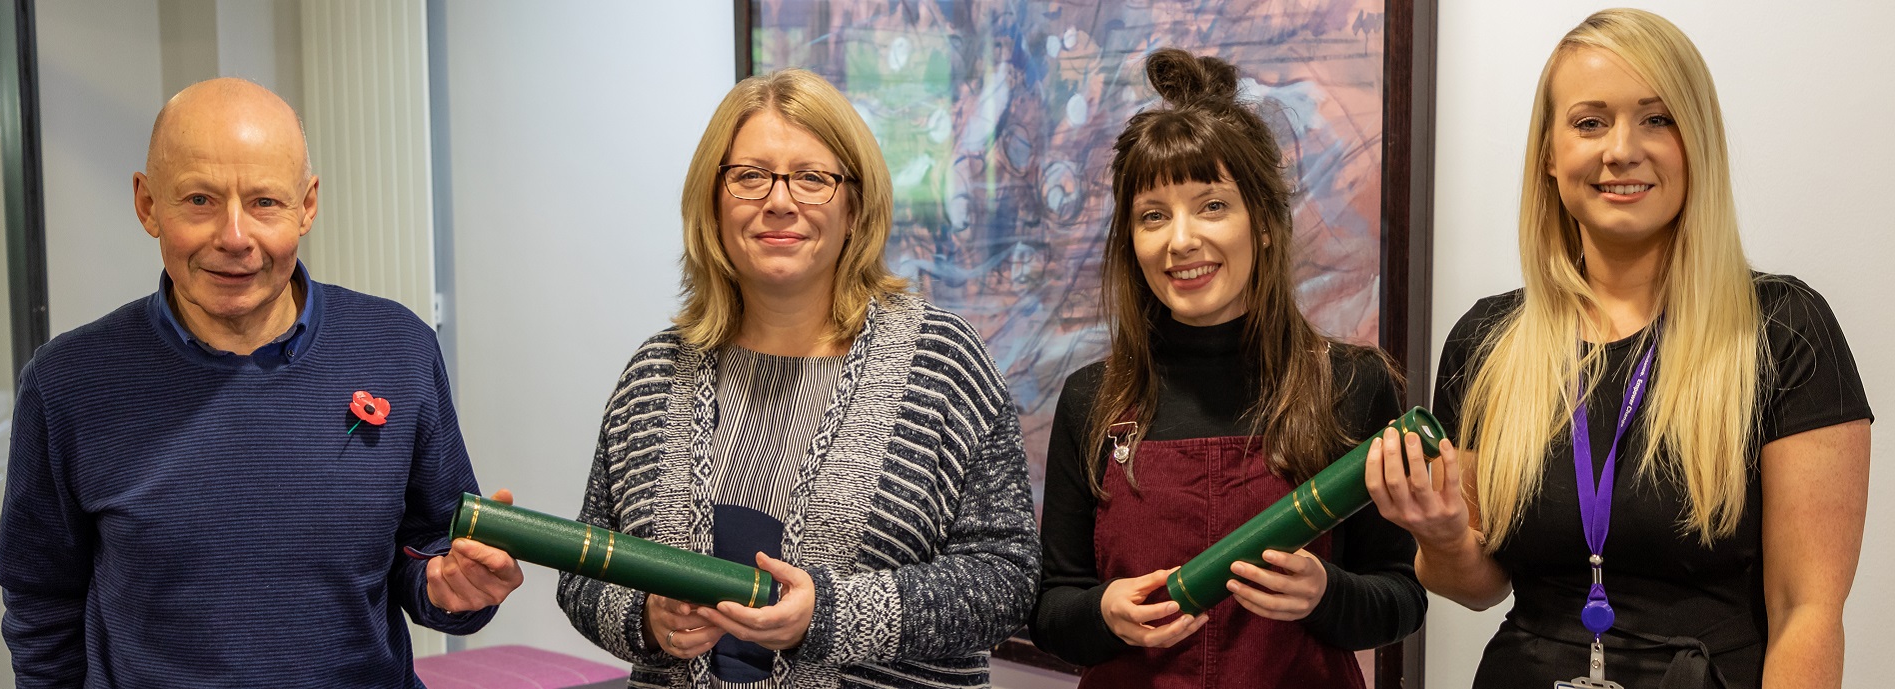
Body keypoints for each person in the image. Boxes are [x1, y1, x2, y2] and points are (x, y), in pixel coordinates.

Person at [1366, 9, 1872, 688]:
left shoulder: (1784, 330)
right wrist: (1444, 535)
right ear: (1549, 154)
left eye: (1656, 118)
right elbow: (1478, 585)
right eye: (1589, 122)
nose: (1620, 149)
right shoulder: (1487, 342)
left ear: (1697, 142)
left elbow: (1805, 610)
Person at [0, 78, 523, 688]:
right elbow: (40, 601)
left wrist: (454, 587)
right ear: (146, 204)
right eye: (199, 200)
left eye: (266, 202)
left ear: (308, 204)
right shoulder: (68, 383)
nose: (235, 237)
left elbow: (429, 550)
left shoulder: (397, 347)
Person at [554, 68, 1039, 689]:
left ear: (855, 205)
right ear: (713, 200)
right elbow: (585, 572)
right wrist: (646, 619)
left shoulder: (943, 366)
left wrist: (831, 616)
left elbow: (1006, 576)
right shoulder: (655, 375)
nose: (779, 201)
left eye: (812, 178)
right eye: (749, 176)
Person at [1028, 49, 1425, 689]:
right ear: (1131, 240)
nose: (1181, 240)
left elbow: (1401, 601)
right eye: (1153, 215)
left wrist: (1325, 596)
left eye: (1212, 205)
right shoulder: (1093, 399)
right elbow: (1052, 609)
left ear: (1263, 224)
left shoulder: (1352, 385)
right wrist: (1103, 612)